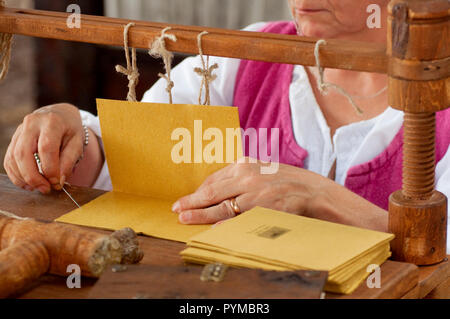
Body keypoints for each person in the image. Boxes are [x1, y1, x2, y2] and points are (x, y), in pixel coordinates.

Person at [4, 0, 450, 251]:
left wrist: (322, 199)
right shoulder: (246, 58)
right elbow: (133, 159)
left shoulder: (439, 101)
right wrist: (75, 139)